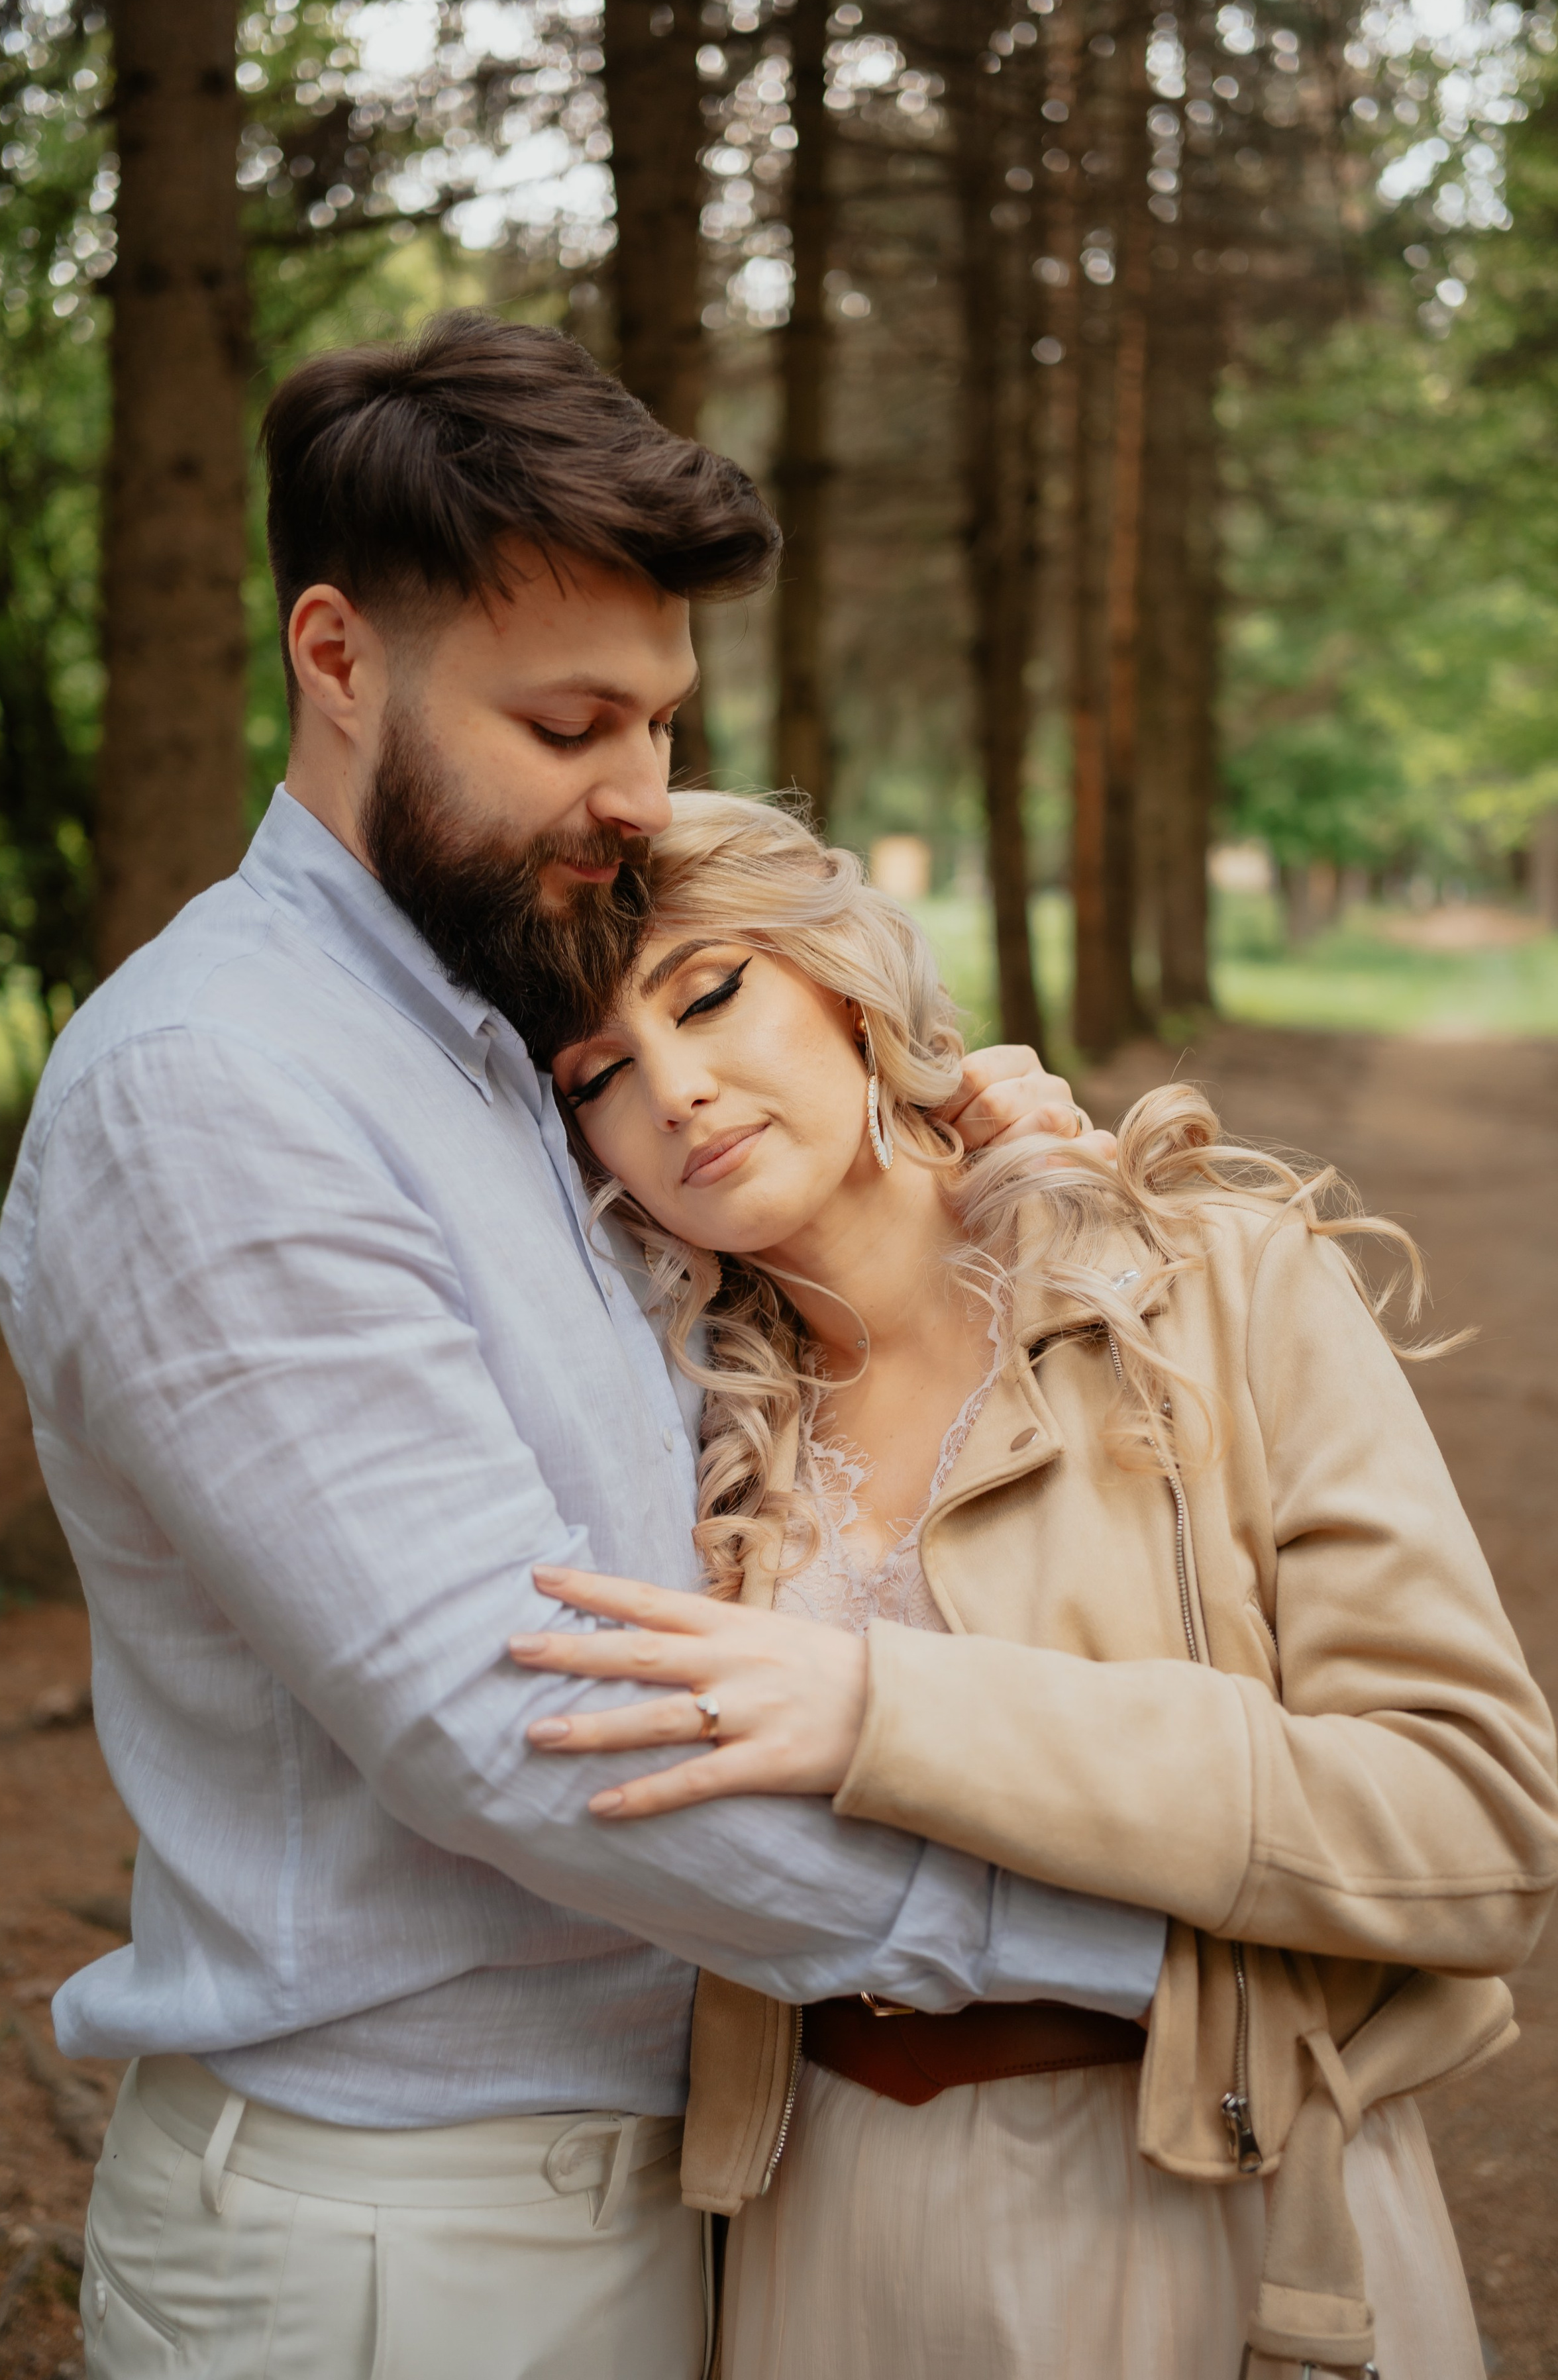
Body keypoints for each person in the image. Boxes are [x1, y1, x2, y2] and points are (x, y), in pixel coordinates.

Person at [0, 314, 1159, 2380]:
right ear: (337, 657)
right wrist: (1112, 1950)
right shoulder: (219, 1088)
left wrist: (962, 1162)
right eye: (570, 725)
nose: (640, 794)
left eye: (662, 722)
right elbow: (507, 1724)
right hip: (399, 2248)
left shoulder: (503, 1024)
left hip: (648, 2178)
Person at [515, 789, 1558, 2380]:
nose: (678, 1090)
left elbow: (1477, 1829)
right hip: (822, 2234)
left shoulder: (1204, 1283)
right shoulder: (671, 1429)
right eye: (599, 1075)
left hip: (1209, 2200)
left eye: (709, 992)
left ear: (846, 982)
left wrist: (890, 1707)